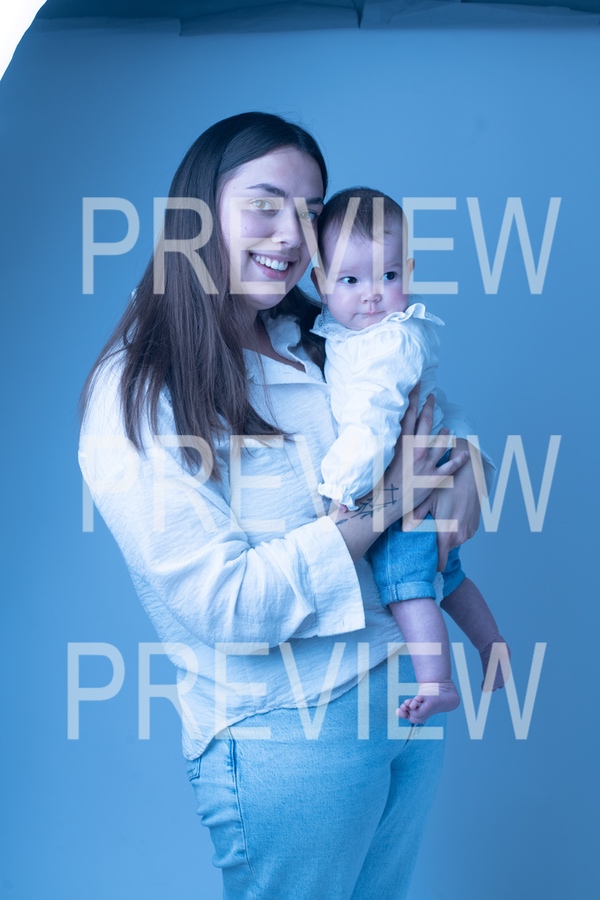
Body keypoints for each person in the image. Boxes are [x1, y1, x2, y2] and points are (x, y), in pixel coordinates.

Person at [78, 112, 493, 900]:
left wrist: (467, 469)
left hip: (402, 700)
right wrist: (392, 501)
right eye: (265, 205)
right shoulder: (137, 392)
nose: (293, 235)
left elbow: (429, 419)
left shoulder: (326, 332)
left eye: (310, 212)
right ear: (199, 212)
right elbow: (229, 604)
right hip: (290, 732)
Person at [310, 187, 509, 725]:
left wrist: (340, 491)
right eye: (351, 281)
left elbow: (373, 424)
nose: (372, 295)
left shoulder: (386, 343)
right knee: (449, 574)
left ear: (410, 272)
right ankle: (490, 643)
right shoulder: (354, 335)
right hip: (425, 474)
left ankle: (437, 682)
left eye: (389, 276)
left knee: (405, 585)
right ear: (320, 282)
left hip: (401, 487)